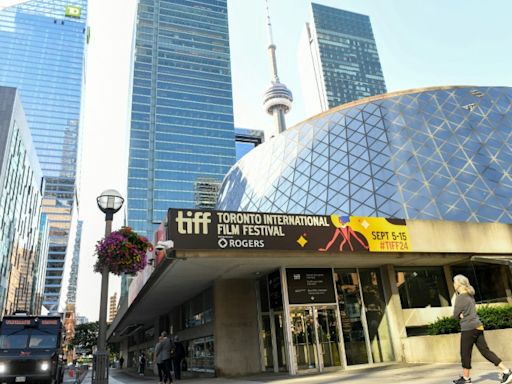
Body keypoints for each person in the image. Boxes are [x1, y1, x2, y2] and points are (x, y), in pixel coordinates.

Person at [452, 274, 512, 384]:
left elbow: (455, 315)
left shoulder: (460, 297)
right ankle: (506, 371)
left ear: (459, 284)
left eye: (454, 282)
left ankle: (466, 379)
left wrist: (460, 315)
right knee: (485, 351)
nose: (453, 284)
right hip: (478, 326)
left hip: (468, 328)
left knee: (465, 353)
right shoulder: (470, 295)